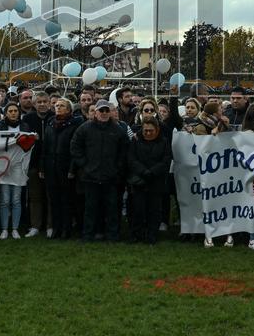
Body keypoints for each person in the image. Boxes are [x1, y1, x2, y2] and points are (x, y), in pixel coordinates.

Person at [70, 99, 126, 242]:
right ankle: (87, 235)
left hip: (111, 177)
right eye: (101, 110)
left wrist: (117, 168)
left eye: (107, 110)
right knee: (90, 208)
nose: (104, 113)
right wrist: (84, 165)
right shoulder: (84, 128)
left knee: (112, 208)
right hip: (90, 176)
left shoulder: (118, 130)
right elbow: (75, 147)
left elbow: (124, 151)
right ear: (95, 112)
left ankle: (112, 236)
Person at [42, 98, 83, 240]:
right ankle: (56, 228)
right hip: (51, 167)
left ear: (69, 109)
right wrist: (43, 167)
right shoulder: (50, 124)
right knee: (54, 200)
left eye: (62, 106)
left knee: (66, 200)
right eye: (56, 105)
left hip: (66, 167)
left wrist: (72, 169)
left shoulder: (74, 125)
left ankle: (66, 229)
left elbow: (75, 149)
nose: (58, 107)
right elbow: (45, 147)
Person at [127, 118, 171, 244]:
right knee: (138, 209)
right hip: (139, 180)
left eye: (151, 131)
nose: (148, 133)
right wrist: (143, 171)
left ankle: (152, 235)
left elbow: (166, 160)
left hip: (156, 180)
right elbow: (131, 159)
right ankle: (137, 234)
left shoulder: (164, 142)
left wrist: (152, 172)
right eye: (145, 130)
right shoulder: (135, 140)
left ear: (157, 130)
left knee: (154, 210)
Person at [23, 91, 54, 238]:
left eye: (44, 102)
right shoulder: (27, 118)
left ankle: (50, 225)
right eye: (39, 102)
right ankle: (35, 226)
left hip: (51, 163)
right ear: (34, 104)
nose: (42, 104)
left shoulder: (54, 118)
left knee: (50, 196)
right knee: (35, 197)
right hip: (33, 164)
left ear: (49, 103)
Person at [0, 102, 29, 239]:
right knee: (5, 200)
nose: (13, 113)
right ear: (5, 113)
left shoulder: (25, 126)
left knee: (16, 200)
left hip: (18, 167)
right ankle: (4, 229)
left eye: (16, 110)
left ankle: (15, 229)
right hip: (4, 166)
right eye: (10, 111)